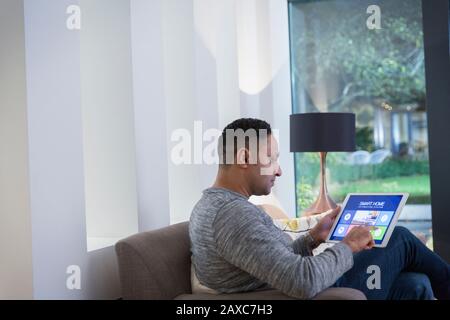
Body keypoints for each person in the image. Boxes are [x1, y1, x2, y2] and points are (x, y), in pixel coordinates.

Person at [189, 118, 449, 299]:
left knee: (415, 285)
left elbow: (267, 264)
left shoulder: (214, 206)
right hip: (311, 293)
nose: (278, 170)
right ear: (244, 158)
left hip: (288, 288)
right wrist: (349, 245)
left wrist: (312, 238)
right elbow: (301, 280)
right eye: (272, 159)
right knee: (401, 238)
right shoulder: (232, 215)